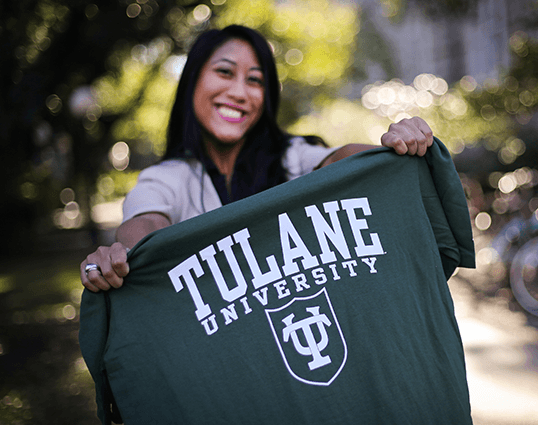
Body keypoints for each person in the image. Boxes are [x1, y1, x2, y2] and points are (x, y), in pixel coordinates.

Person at [80, 24, 434, 292]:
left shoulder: (292, 158)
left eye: (255, 80)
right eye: (224, 72)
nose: (238, 92)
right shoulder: (168, 178)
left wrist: (391, 147)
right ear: (192, 83)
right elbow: (145, 228)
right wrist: (119, 258)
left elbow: (342, 160)